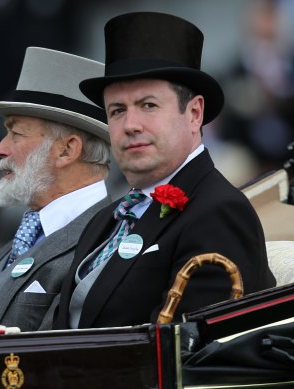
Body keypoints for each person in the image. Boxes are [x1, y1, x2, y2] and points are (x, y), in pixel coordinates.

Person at [54, 12, 276, 330]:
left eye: (148, 106)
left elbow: (194, 360)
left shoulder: (218, 213)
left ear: (194, 113)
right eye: (117, 111)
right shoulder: (106, 219)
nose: (130, 125)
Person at [0, 47, 111, 335]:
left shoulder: (106, 242)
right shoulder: (23, 237)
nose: (0, 149)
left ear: (67, 150)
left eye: (15, 134)